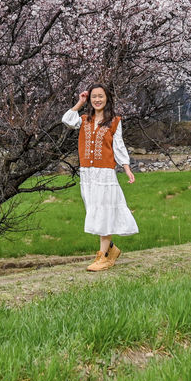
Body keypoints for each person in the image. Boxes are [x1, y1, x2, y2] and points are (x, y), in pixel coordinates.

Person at [62, 84, 138, 271]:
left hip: (105, 173)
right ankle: (110, 250)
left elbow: (118, 146)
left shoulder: (114, 121)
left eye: (101, 96)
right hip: (87, 173)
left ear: (107, 99)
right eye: (94, 96)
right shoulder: (84, 119)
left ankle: (103, 256)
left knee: (104, 211)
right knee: (94, 211)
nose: (97, 100)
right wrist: (80, 102)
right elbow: (66, 120)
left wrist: (126, 168)